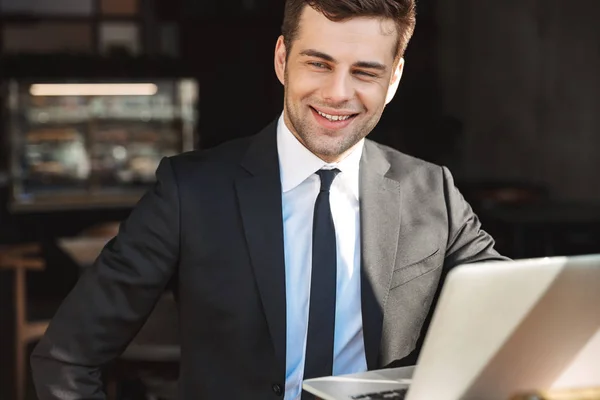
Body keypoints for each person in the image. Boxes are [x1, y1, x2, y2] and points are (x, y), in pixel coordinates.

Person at [31, 0, 508, 399]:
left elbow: (517, 310)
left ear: (395, 77)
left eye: (365, 72)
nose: (337, 93)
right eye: (318, 63)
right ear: (282, 59)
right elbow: (66, 359)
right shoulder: (190, 193)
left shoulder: (433, 191)